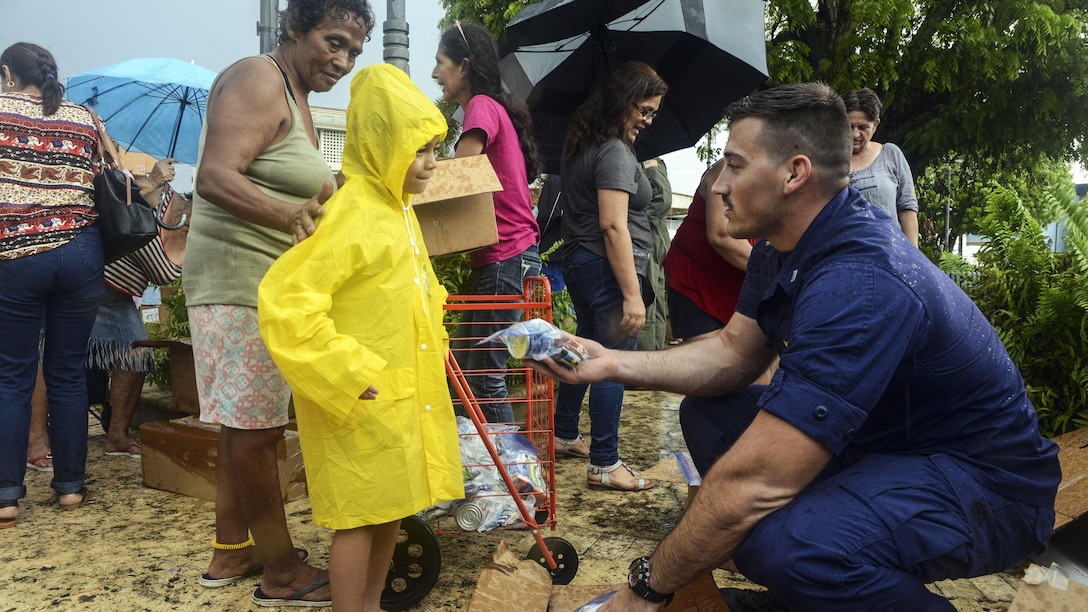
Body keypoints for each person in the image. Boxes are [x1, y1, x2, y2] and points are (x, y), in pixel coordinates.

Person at [529, 83, 1061, 611]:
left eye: (734, 165)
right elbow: (734, 354)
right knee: (710, 415)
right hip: (886, 446)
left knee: (785, 547)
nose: (718, 186)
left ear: (794, 173)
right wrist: (609, 361)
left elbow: (756, 479)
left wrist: (646, 590)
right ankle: (823, 580)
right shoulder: (784, 246)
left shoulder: (860, 281)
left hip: (985, 485)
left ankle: (823, 564)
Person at [182, 0, 371, 605]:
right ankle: (281, 570)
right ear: (294, 28)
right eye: (333, 42)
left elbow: (297, 182)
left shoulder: (298, 99)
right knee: (257, 432)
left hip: (266, 285)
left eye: (353, 52)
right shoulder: (257, 77)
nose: (342, 61)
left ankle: (230, 552)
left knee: (244, 425)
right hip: (240, 281)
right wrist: (289, 214)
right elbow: (213, 175)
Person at [259, 63, 464, 612]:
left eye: (433, 149)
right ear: (380, 146)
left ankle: (370, 604)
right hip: (359, 397)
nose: (429, 164)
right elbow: (287, 301)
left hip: (397, 392)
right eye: (417, 150)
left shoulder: (400, 214)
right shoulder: (350, 214)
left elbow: (417, 293)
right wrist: (343, 370)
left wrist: (436, 340)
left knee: (392, 507)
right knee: (358, 517)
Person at [0, 42, 103, 529]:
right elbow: (105, 177)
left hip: (17, 254)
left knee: (11, 375)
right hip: (81, 254)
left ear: (7, 74)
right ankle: (69, 489)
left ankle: (6, 496)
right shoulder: (85, 117)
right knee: (66, 371)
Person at [551, 61, 667, 491]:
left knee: (583, 348)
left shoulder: (581, 143)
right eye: (644, 109)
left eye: (653, 112)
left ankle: (564, 433)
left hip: (581, 263)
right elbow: (613, 225)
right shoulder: (614, 151)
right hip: (606, 266)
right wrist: (633, 295)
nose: (648, 120)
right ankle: (605, 461)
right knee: (612, 362)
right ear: (621, 102)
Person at [26, 157, 185, 466]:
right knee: (46, 353)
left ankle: (117, 437)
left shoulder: (170, 205)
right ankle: (36, 442)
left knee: (137, 352)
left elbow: (159, 266)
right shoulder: (126, 181)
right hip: (84, 275)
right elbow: (162, 269)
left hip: (115, 293)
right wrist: (150, 183)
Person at [433, 20, 543, 425]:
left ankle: (514, 476)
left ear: (463, 66)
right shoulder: (494, 107)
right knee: (461, 371)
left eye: (440, 63)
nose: (434, 73)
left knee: (484, 377)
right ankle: (485, 471)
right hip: (506, 256)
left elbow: (458, 178)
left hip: (505, 256)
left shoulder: (480, 106)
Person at [662, 158, 754, 344]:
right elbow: (722, 235)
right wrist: (777, 273)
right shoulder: (729, 167)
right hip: (699, 281)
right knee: (715, 366)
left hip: (739, 284)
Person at [843, 87, 919, 245]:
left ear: (875, 125)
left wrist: (913, 260)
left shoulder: (890, 154)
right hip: (844, 256)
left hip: (890, 254)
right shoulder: (829, 159)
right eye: (850, 127)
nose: (855, 134)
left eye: (863, 127)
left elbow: (907, 208)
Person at [636, 158, 672, 351]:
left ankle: (645, 351)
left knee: (647, 295)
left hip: (650, 238)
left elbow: (663, 198)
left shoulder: (649, 160)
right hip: (653, 237)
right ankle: (653, 351)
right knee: (655, 296)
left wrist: (634, 220)